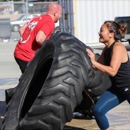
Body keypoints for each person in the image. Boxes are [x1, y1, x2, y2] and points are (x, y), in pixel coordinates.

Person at [86, 21, 130, 130]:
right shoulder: (106, 49)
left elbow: (112, 71)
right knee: (98, 111)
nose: (98, 32)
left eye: (102, 30)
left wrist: (94, 63)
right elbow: (97, 67)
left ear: (111, 34)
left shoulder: (118, 47)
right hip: (118, 89)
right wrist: (92, 59)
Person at [14, 3, 62, 73]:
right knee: (32, 81)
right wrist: (50, 48)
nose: (60, 16)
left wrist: (28, 42)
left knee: (29, 78)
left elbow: (21, 30)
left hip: (19, 51)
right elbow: (39, 39)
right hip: (26, 56)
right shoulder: (49, 22)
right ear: (55, 13)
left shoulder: (36, 18)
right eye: (60, 14)